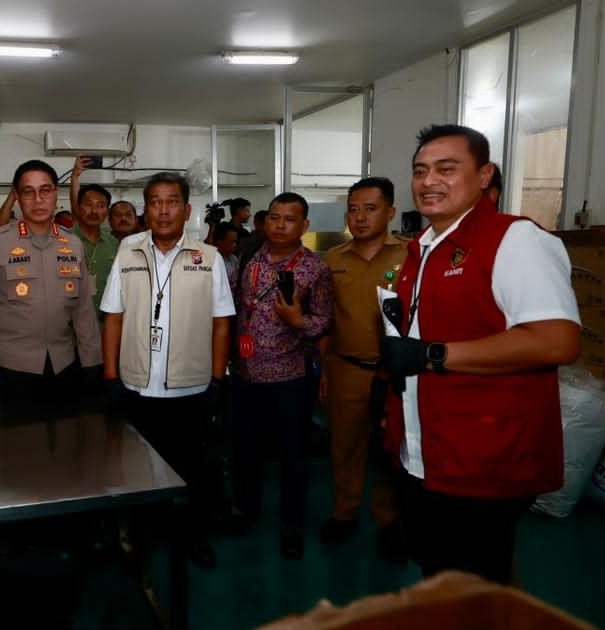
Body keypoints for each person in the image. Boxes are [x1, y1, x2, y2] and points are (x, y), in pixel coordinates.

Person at [380, 124, 580, 585]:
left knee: (474, 582)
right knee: (440, 572)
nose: (429, 181)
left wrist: (432, 355)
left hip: (482, 457)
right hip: (424, 452)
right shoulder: (423, 249)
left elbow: (556, 340)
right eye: (420, 171)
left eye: (447, 169)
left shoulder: (514, 240)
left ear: (485, 174)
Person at [100, 172, 234, 568]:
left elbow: (221, 322)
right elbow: (113, 316)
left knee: (194, 468)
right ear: (146, 210)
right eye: (155, 202)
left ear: (187, 210)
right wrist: (111, 377)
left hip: (189, 388)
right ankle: (142, 539)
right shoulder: (128, 252)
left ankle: (194, 536)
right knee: (137, 471)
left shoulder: (208, 258)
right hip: (136, 388)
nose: (163, 210)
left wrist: (217, 380)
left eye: (171, 201)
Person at [0, 160, 102, 411]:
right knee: (18, 435)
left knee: (68, 433)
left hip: (64, 365)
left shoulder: (73, 245)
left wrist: (92, 362)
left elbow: (83, 309)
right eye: (29, 192)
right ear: (17, 197)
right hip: (13, 369)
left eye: (45, 190)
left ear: (56, 194)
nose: (38, 200)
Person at [231, 193, 332, 559]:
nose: (280, 225)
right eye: (274, 217)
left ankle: (292, 524)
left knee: (293, 455)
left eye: (290, 219)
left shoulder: (315, 268)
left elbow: (324, 322)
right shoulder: (249, 257)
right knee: (246, 450)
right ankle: (246, 510)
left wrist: (296, 320)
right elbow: (237, 306)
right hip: (246, 374)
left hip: (290, 377)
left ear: (304, 226)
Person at [319, 177, 410, 561]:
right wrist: (325, 372)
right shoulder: (333, 260)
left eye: (370, 209)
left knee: (392, 451)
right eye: (353, 210)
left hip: (397, 373)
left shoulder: (411, 255)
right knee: (345, 447)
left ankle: (388, 521)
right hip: (347, 368)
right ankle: (345, 513)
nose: (359, 217)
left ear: (390, 212)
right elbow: (324, 320)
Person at [68, 156, 120, 315]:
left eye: (101, 205)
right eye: (88, 204)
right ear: (79, 207)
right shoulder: (63, 242)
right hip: (69, 325)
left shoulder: (114, 244)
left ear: (107, 211)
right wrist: (74, 176)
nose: (94, 211)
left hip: (105, 323)